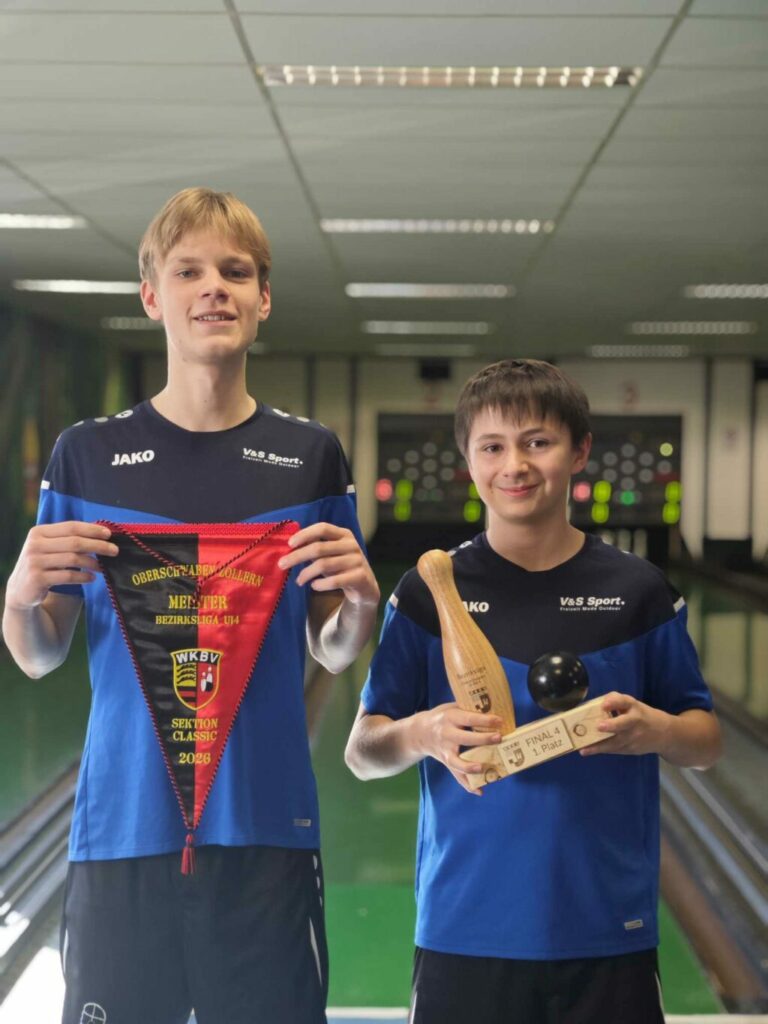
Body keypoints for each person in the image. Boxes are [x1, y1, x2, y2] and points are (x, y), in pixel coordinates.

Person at [2, 187, 380, 1024]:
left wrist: (360, 604)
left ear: (263, 299)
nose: (215, 287)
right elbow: (39, 652)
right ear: (152, 296)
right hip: (123, 828)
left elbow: (332, 648)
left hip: (266, 830)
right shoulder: (87, 456)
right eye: (189, 271)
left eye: (236, 272)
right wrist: (20, 597)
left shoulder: (309, 457)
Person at [345, 358, 721, 1024]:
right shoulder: (430, 593)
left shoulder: (638, 592)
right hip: (465, 927)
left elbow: (706, 741)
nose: (514, 465)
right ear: (468, 460)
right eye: (492, 446)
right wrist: (422, 733)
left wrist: (655, 730)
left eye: (537, 442)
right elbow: (363, 751)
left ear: (578, 452)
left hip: (606, 929)